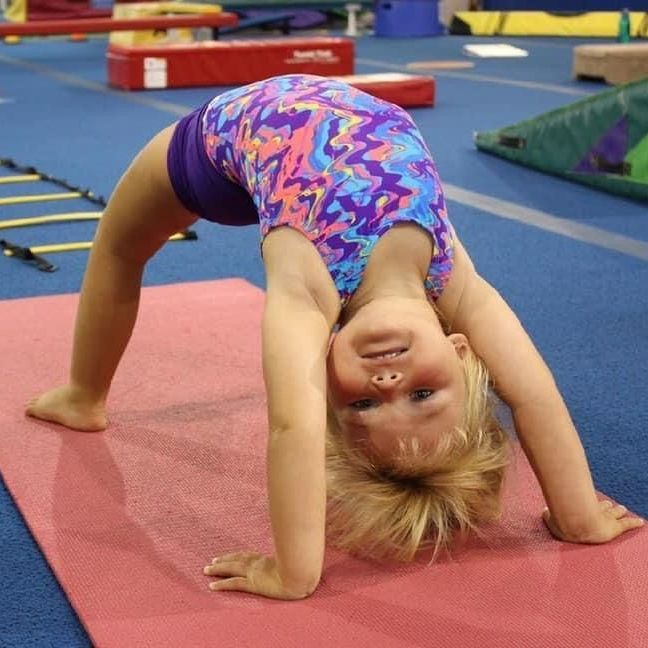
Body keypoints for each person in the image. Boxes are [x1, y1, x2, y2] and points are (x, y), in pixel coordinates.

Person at [25, 74, 644, 601]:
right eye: (424, 395)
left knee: (117, 245)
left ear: (326, 379)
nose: (389, 382)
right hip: (312, 113)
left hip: (224, 143)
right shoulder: (457, 283)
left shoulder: (308, 290)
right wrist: (578, 515)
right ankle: (82, 396)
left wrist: (295, 571)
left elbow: (291, 426)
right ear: (461, 352)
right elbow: (533, 394)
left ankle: (85, 395)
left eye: (364, 405)